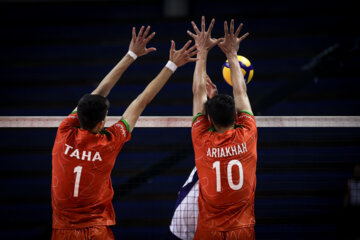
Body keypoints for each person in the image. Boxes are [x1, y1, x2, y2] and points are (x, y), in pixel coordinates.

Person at [51, 25, 198, 240]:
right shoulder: (109, 141)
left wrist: (130, 54)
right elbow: (140, 101)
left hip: (62, 231)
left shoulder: (64, 132)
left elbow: (98, 92)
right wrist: (171, 64)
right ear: (102, 123)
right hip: (96, 232)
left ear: (78, 115)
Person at [189, 16, 257, 239]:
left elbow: (198, 92)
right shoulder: (247, 133)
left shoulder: (201, 137)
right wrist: (232, 54)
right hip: (242, 230)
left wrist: (202, 52)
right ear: (237, 117)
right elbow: (241, 93)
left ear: (209, 119)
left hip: (210, 231)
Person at [169, 76, 218, 240]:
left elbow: (198, 97)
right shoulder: (241, 148)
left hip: (185, 224)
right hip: (212, 222)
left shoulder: (205, 146)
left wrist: (201, 53)